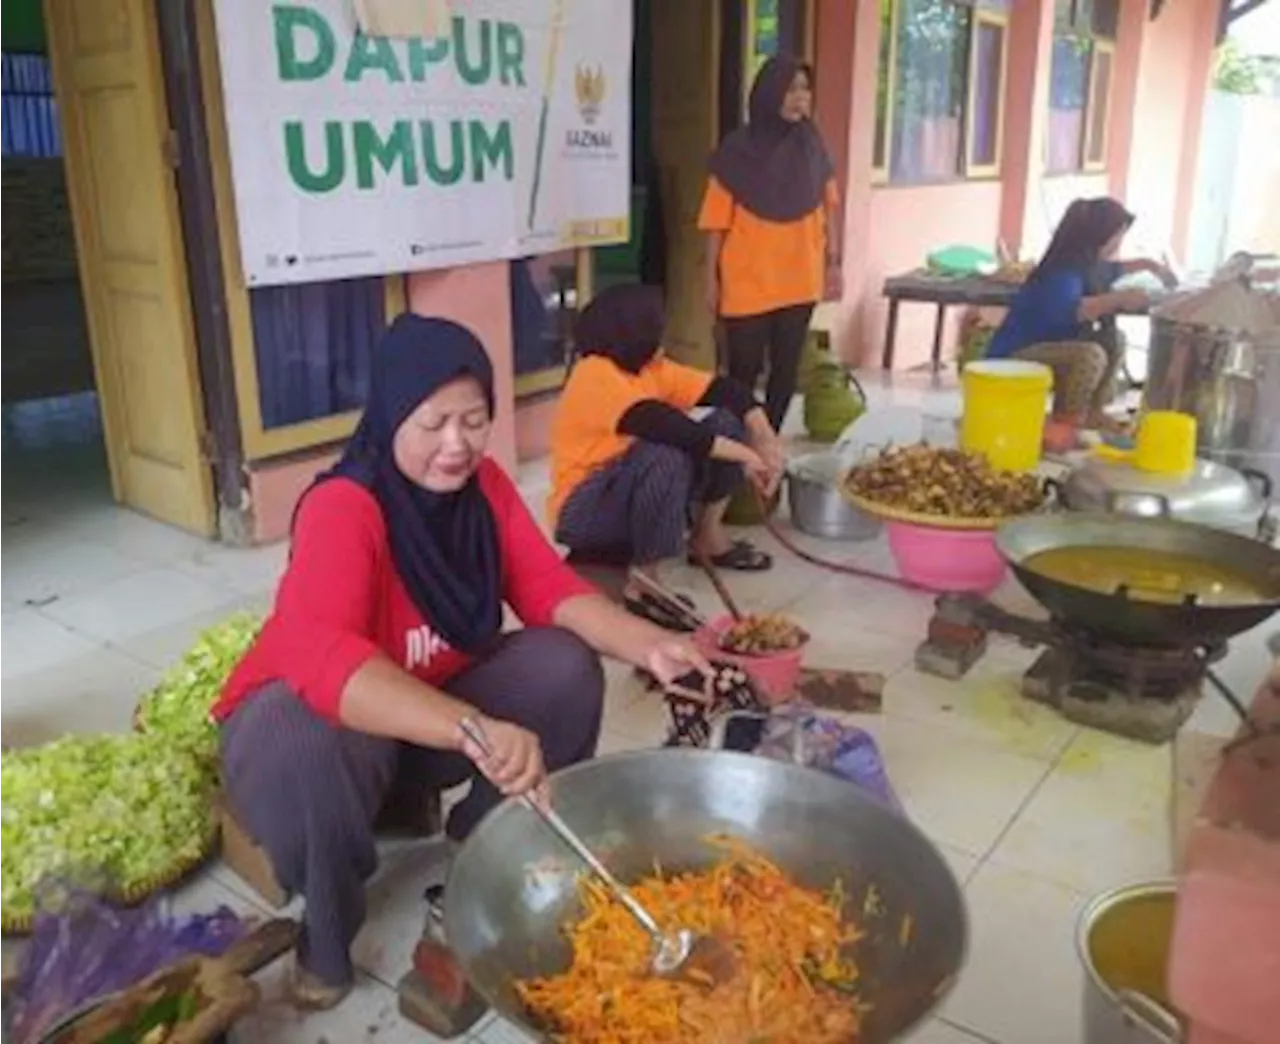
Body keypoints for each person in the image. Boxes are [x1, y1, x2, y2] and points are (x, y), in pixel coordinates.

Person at [212, 314, 708, 1009]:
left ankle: (486, 847)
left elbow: (546, 587)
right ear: (390, 417)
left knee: (562, 666)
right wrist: (474, 727)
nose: (457, 444)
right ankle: (325, 930)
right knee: (300, 737)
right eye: (434, 422)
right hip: (320, 739)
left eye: (474, 420)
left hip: (421, 724)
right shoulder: (342, 507)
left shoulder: (485, 491)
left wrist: (646, 644)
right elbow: (325, 659)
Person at [549, 284, 785, 608]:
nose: (659, 335)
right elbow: (669, 428)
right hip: (585, 510)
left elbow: (724, 389)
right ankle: (644, 581)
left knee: (725, 421)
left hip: (629, 485)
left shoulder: (649, 368)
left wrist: (764, 435)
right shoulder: (594, 374)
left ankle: (707, 537)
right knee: (665, 454)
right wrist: (748, 457)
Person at [699, 54, 841, 433]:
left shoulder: (813, 147)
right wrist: (710, 279)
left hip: (800, 279)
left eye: (805, 89)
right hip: (748, 281)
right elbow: (715, 224)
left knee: (786, 370)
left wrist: (834, 263)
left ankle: (769, 441)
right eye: (790, 89)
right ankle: (737, 443)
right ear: (768, 93)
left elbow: (829, 208)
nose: (800, 98)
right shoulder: (735, 152)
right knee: (743, 372)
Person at [987, 197, 1178, 423]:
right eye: (1116, 236)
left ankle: (1093, 413)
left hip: (1050, 348)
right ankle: (1066, 421)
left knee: (1114, 339)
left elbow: (1113, 270)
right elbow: (1074, 310)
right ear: (1098, 236)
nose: (1118, 243)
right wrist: (1119, 299)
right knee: (1090, 355)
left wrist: (1150, 265)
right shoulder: (1061, 273)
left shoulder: (1087, 264)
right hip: (1016, 355)